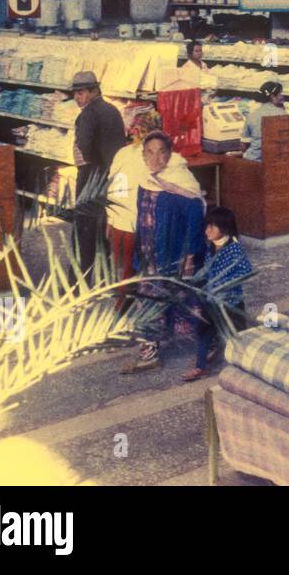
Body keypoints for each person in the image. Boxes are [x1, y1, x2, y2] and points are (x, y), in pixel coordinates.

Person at [121, 131, 206, 374]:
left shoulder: (181, 181)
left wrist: (190, 256)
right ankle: (149, 353)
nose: (155, 157)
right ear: (143, 154)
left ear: (169, 154)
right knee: (147, 302)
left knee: (188, 302)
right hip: (149, 255)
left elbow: (194, 220)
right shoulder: (144, 180)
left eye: (161, 152)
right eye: (149, 152)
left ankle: (206, 345)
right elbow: (141, 217)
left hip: (174, 257)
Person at [107, 109, 198, 307]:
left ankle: (122, 308)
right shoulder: (150, 165)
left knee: (122, 269)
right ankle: (134, 310)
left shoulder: (124, 153)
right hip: (138, 227)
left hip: (122, 222)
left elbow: (111, 185)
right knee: (136, 272)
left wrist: (109, 219)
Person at [183, 205, 253, 382]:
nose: (207, 230)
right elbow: (207, 270)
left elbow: (246, 272)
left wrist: (224, 284)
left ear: (225, 228)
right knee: (204, 332)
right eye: (207, 226)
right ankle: (200, 366)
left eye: (212, 227)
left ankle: (246, 368)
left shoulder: (235, 249)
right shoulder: (211, 247)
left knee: (237, 336)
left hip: (231, 303)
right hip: (212, 302)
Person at [71, 70, 127, 277]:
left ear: (94, 91)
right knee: (104, 229)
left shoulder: (87, 115)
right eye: (75, 93)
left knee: (83, 230)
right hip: (111, 176)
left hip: (90, 177)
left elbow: (84, 148)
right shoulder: (113, 110)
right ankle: (105, 278)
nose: (77, 97)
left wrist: (85, 159)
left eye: (81, 92)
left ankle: (77, 283)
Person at [242, 80, 287, 161]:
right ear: (273, 97)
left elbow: (244, 143)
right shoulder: (282, 114)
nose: (282, 96)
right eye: (280, 93)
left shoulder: (252, 115)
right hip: (272, 160)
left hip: (252, 159)